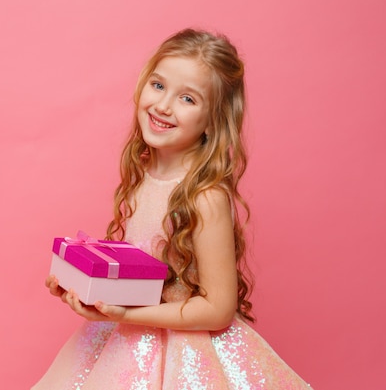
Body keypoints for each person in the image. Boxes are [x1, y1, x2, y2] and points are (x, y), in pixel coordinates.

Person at [32, 28, 311, 389]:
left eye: (188, 99)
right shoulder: (143, 173)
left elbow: (218, 308)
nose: (163, 106)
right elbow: (145, 278)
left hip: (183, 358)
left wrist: (129, 314)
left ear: (214, 120)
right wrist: (92, 293)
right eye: (159, 85)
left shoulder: (203, 196)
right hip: (128, 343)